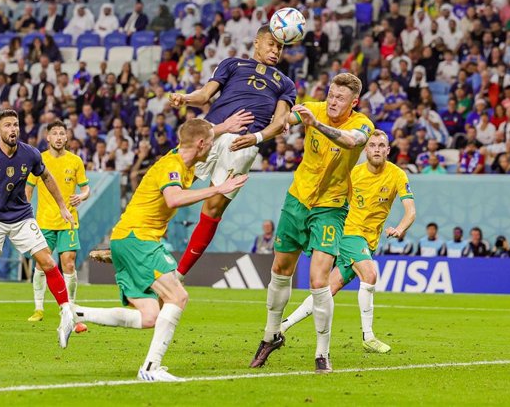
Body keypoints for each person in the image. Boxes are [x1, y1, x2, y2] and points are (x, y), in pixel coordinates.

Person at [75, 119, 248, 382]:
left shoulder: (180, 159)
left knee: (149, 316)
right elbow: (174, 198)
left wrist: (223, 126)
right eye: (210, 143)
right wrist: (218, 189)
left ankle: (74, 313)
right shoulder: (172, 165)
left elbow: (199, 135)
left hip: (127, 238)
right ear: (201, 144)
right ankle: (150, 368)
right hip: (138, 238)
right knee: (178, 297)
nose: (213, 147)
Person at [249, 73, 374, 373]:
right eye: (330, 94)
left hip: (330, 208)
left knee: (319, 280)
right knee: (280, 269)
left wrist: (316, 125)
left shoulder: (363, 124)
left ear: (353, 102)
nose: (332, 101)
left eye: (340, 98)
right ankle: (271, 336)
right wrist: (258, 131)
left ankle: (322, 353)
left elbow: (351, 141)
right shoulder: (312, 108)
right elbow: (283, 121)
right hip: (298, 200)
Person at [169, 26, 296, 280]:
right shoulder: (232, 64)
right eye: (271, 44)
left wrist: (256, 137)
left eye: (280, 47)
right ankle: (137, 236)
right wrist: (184, 98)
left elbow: (280, 122)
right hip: (210, 133)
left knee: (212, 209)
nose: (275, 50)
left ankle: (177, 276)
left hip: (242, 145)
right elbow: (204, 95)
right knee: (168, 185)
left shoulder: (286, 83)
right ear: (256, 42)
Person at [280, 131, 415, 354]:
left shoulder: (398, 175)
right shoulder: (353, 173)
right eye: (372, 145)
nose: (377, 149)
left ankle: (282, 326)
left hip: (369, 240)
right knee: (370, 274)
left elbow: (410, 211)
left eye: (382, 146)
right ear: (365, 150)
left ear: (388, 150)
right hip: (348, 233)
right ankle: (368, 336)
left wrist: (400, 228)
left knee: (327, 289)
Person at [0, 110, 76, 346]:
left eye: (16, 125)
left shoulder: (30, 154)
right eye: (7, 125)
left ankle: (67, 313)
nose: (13, 129)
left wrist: (62, 206)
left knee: (48, 261)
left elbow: (47, 178)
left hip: (21, 217)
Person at [25, 120, 91, 333]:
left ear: (67, 137)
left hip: (68, 220)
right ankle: (38, 307)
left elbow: (86, 189)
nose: (59, 137)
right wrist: (26, 216)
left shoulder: (75, 161)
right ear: (48, 137)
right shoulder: (39, 159)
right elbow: (28, 189)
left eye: (62, 133)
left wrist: (81, 196)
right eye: (55, 133)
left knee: (68, 264)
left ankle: (70, 307)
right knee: (41, 264)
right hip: (43, 221)